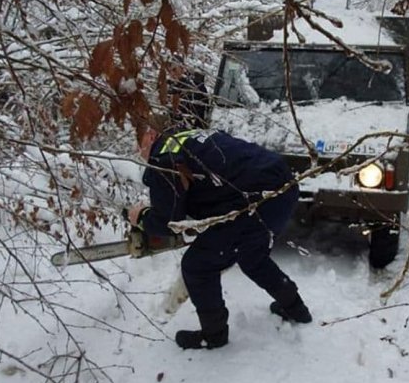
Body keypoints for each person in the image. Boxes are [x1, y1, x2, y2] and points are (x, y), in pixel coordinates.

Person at [128, 124, 312, 350]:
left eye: (139, 143)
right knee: (252, 256)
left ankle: (213, 335)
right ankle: (295, 309)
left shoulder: (163, 158)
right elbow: (214, 182)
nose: (139, 150)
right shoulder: (185, 137)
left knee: (197, 266)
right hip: (282, 185)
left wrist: (142, 217)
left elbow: (169, 222)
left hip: (254, 200)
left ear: (151, 134)